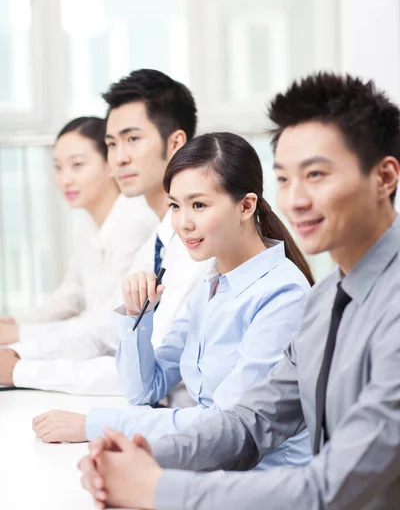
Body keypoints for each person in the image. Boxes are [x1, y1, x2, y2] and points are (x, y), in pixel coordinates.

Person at [79, 73, 400, 510]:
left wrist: (155, 488)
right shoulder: (327, 300)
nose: (296, 199)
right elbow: (251, 422)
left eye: (317, 175)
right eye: (285, 179)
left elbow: (330, 486)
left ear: (384, 178)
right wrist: (140, 455)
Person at [34, 133, 313, 473]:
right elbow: (144, 390)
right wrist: (138, 317)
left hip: (263, 480)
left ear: (246, 205)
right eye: (175, 206)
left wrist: (93, 425)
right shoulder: (210, 282)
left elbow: (224, 424)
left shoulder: (283, 295)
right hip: (211, 462)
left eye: (199, 205)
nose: (183, 223)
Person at [13, 69, 204, 403]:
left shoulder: (196, 242)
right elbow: (103, 328)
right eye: (112, 144)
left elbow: (150, 366)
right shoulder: (158, 240)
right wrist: (18, 355)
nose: (119, 157)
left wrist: (20, 369)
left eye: (132, 139)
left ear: (175, 143)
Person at [0, 116, 156, 388]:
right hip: (92, 350)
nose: (65, 179)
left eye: (77, 165)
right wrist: (14, 322)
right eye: (58, 168)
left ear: (110, 165)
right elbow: (70, 295)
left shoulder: (135, 222)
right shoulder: (88, 222)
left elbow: (104, 322)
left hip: (115, 364)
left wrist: (19, 335)